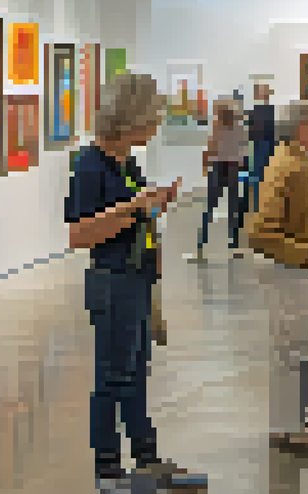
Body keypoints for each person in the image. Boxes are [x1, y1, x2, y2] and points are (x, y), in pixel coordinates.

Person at [66, 73, 203, 489]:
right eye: (152, 118)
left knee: (135, 373)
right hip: (112, 280)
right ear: (131, 119)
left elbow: (133, 217)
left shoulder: (126, 163)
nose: (157, 125)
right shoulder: (90, 165)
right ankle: (108, 470)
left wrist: (153, 204)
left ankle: (146, 459)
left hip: (135, 277)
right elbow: (78, 233)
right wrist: (135, 206)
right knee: (112, 377)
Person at [248, 100, 308, 455]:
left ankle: (288, 424)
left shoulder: (297, 162)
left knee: (292, 350)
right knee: (291, 351)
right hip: (287, 271)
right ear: (299, 127)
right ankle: (290, 428)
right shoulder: (287, 165)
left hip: (294, 268)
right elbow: (260, 233)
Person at [191, 97, 247, 262]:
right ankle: (234, 246)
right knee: (233, 208)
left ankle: (200, 247)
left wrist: (204, 164)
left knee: (209, 207)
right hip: (233, 168)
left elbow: (211, 147)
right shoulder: (239, 127)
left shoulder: (217, 126)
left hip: (218, 167)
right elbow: (243, 150)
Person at [246, 80, 278, 214]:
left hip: (264, 148)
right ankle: (259, 207)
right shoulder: (258, 111)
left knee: (263, 178)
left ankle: (261, 206)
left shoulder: (266, 111)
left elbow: (252, 133)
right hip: (260, 148)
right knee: (260, 178)